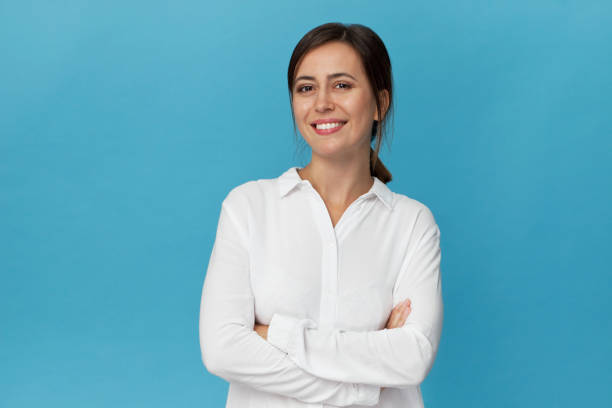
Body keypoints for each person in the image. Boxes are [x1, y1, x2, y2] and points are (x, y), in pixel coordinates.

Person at [199, 22, 443, 407]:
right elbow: (222, 348)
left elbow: (412, 358)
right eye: (306, 88)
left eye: (342, 85)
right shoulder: (248, 208)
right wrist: (361, 382)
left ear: (381, 103)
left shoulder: (411, 223)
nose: (322, 102)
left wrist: (274, 334)